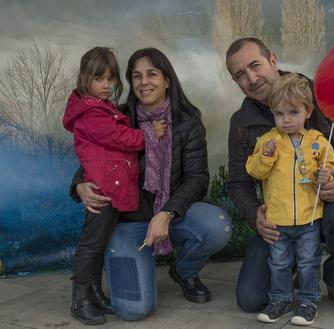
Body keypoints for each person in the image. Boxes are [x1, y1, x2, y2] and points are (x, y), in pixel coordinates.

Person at [69, 47, 232, 322]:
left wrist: (167, 213)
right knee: (134, 310)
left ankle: (184, 270)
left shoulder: (187, 122)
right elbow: (93, 159)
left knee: (217, 225)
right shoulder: (117, 117)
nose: (144, 82)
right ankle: (92, 289)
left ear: (167, 79)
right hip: (126, 221)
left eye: (152, 74)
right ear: (131, 83)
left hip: (167, 215)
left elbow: (197, 178)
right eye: (136, 76)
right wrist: (78, 186)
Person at [226, 37, 334, 318]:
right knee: (251, 299)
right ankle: (296, 265)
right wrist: (255, 216)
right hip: (281, 217)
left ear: (273, 60)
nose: (251, 78)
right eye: (240, 74)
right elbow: (239, 182)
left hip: (327, 205)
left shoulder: (319, 94)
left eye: (255, 65)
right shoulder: (242, 121)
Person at [246, 73, 334, 325]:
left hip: (308, 219)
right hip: (278, 220)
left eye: (293, 113)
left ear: (308, 111)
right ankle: (280, 299)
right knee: (278, 263)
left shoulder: (318, 141)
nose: (285, 120)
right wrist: (266, 156)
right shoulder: (267, 141)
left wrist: (326, 176)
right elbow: (254, 170)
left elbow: (330, 170)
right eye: (279, 114)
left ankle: (308, 301)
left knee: (308, 263)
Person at [63, 47, 145, 325]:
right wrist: (146, 135)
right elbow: (118, 138)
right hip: (103, 189)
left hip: (110, 185)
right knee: (90, 246)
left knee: (98, 245)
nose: (107, 85)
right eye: (99, 79)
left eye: (111, 79)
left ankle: (95, 293)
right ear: (85, 78)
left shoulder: (101, 107)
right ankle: (80, 298)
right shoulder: (92, 113)